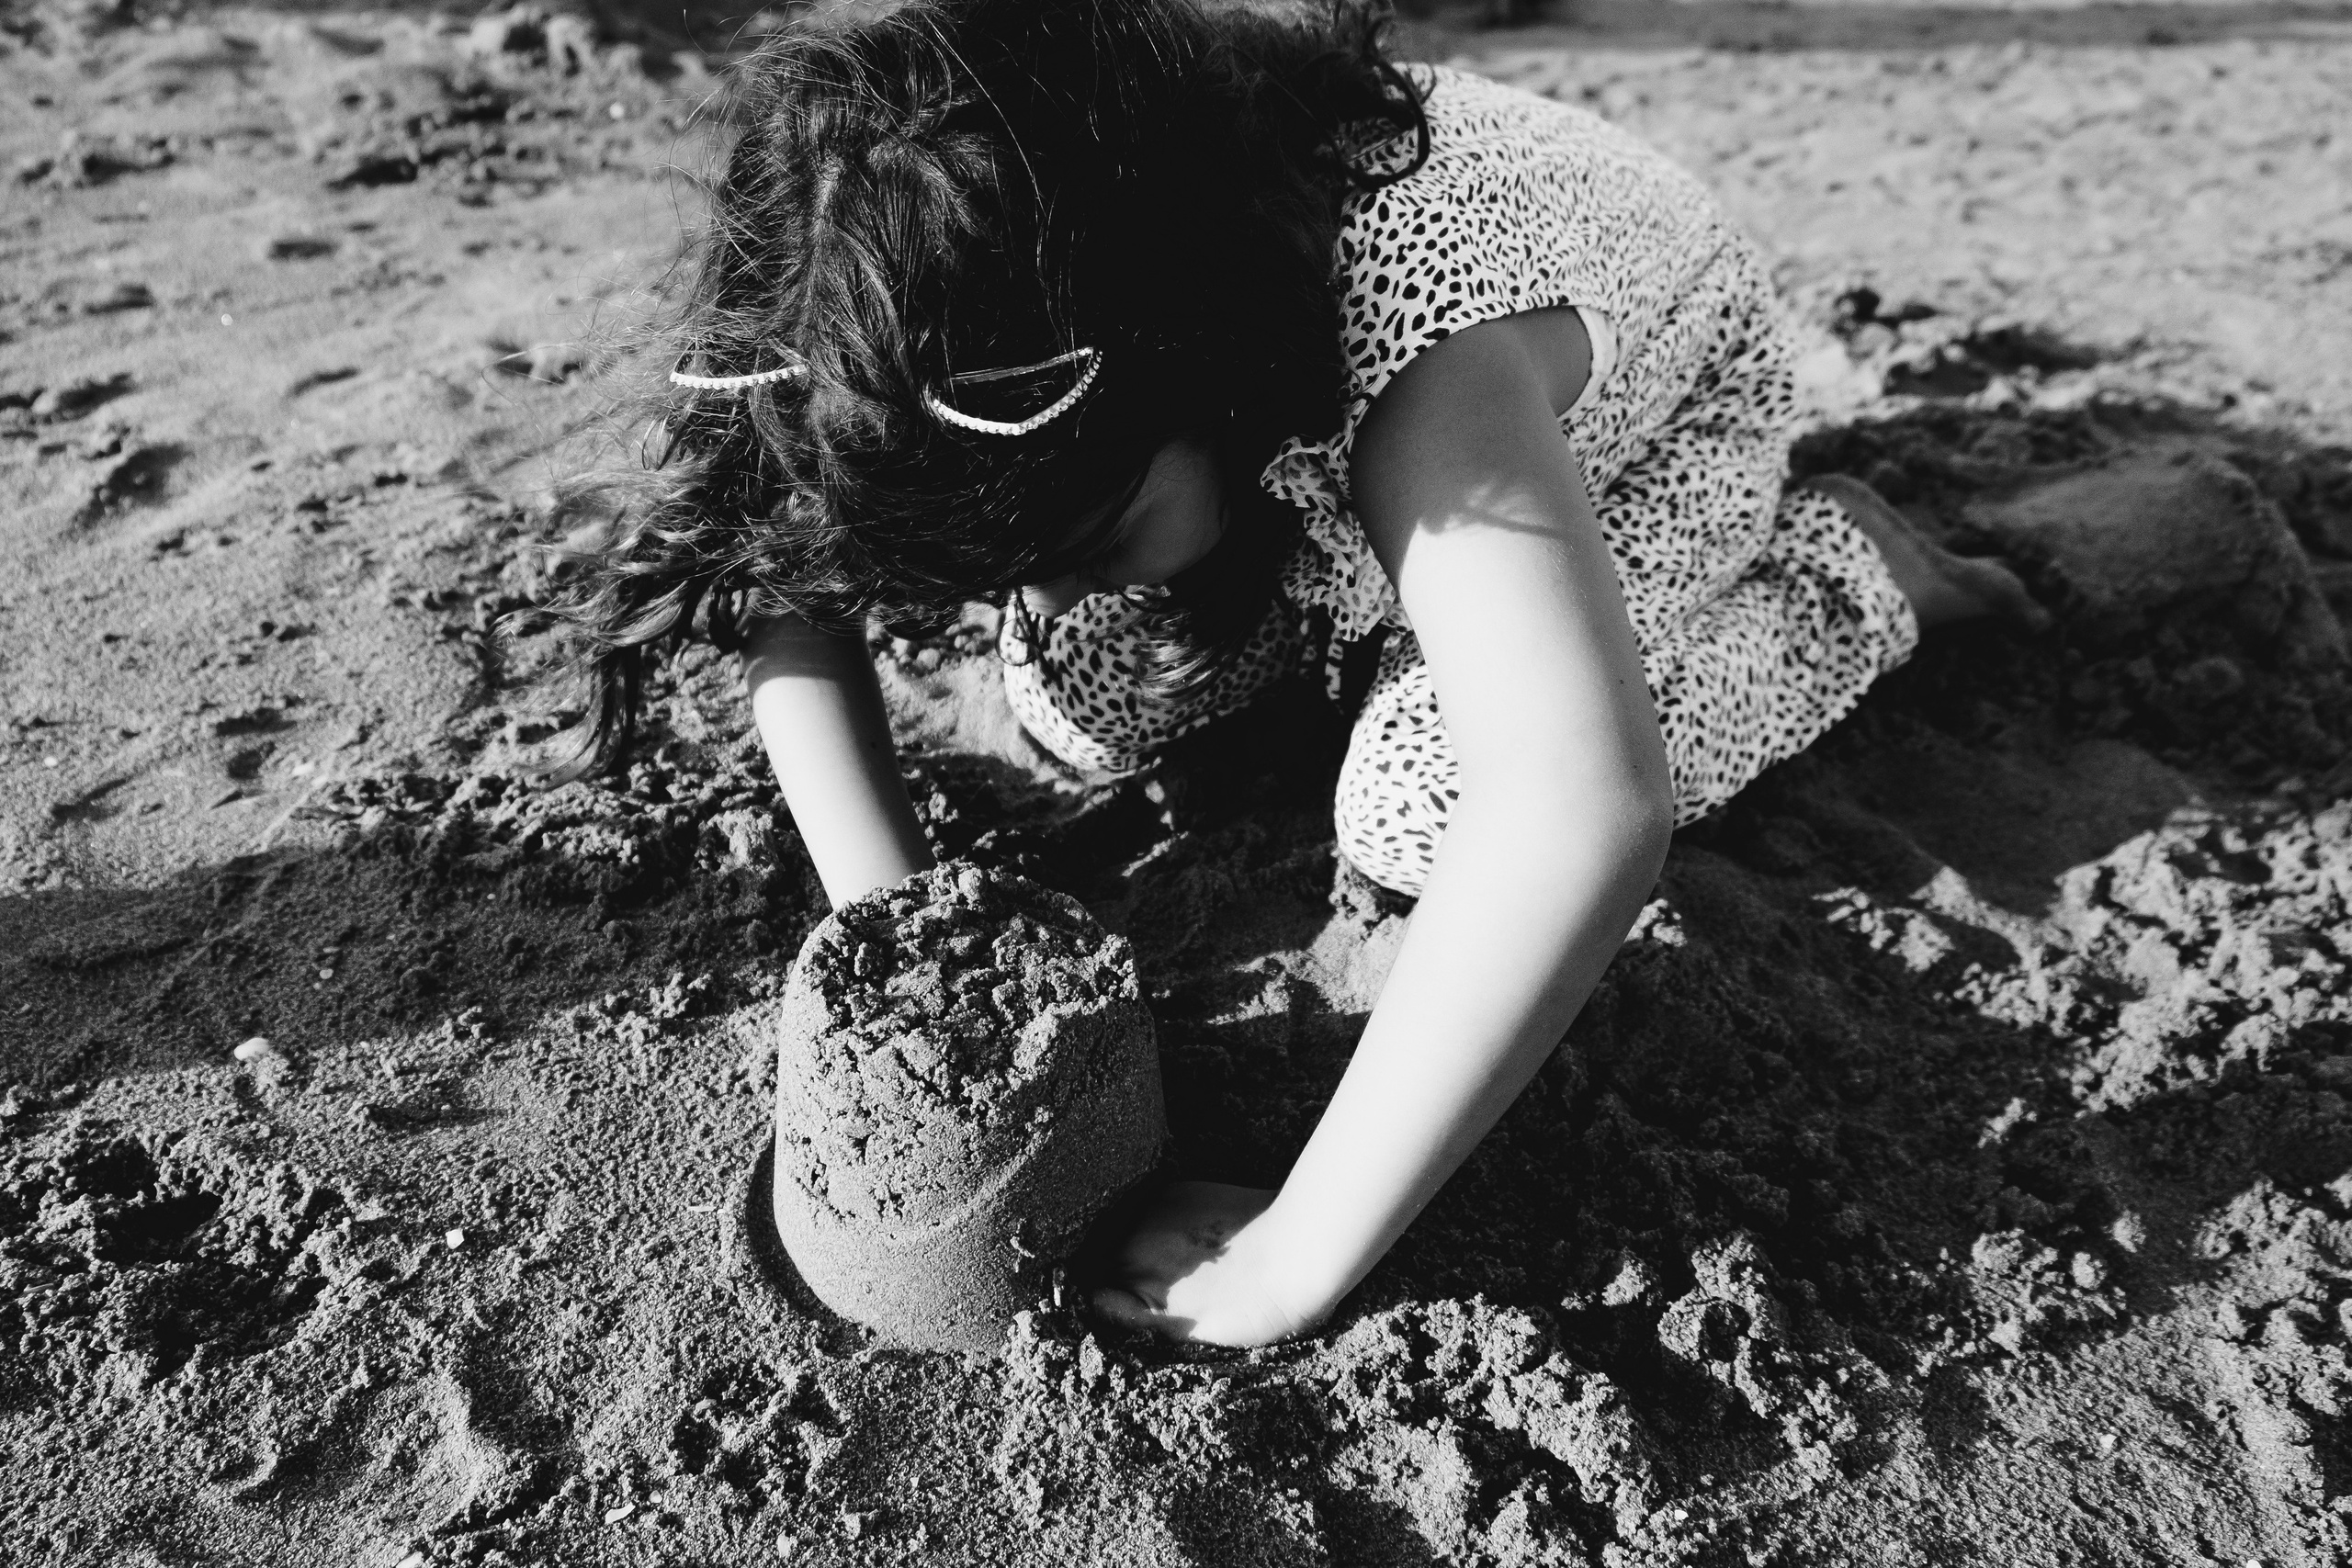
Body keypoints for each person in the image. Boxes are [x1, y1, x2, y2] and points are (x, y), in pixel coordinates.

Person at [553, 0, 2041, 1348]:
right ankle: (1342, 610)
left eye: (1092, 529)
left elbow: (1581, 807)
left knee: (1421, 807)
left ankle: (1846, 581)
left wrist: (1296, 1253)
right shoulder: (875, 289)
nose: (1049, 591)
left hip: (1644, 429)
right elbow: (777, 578)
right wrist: (899, 923)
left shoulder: (1424, 355)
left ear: (1203, 360)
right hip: (1295, 467)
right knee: (1087, 697)